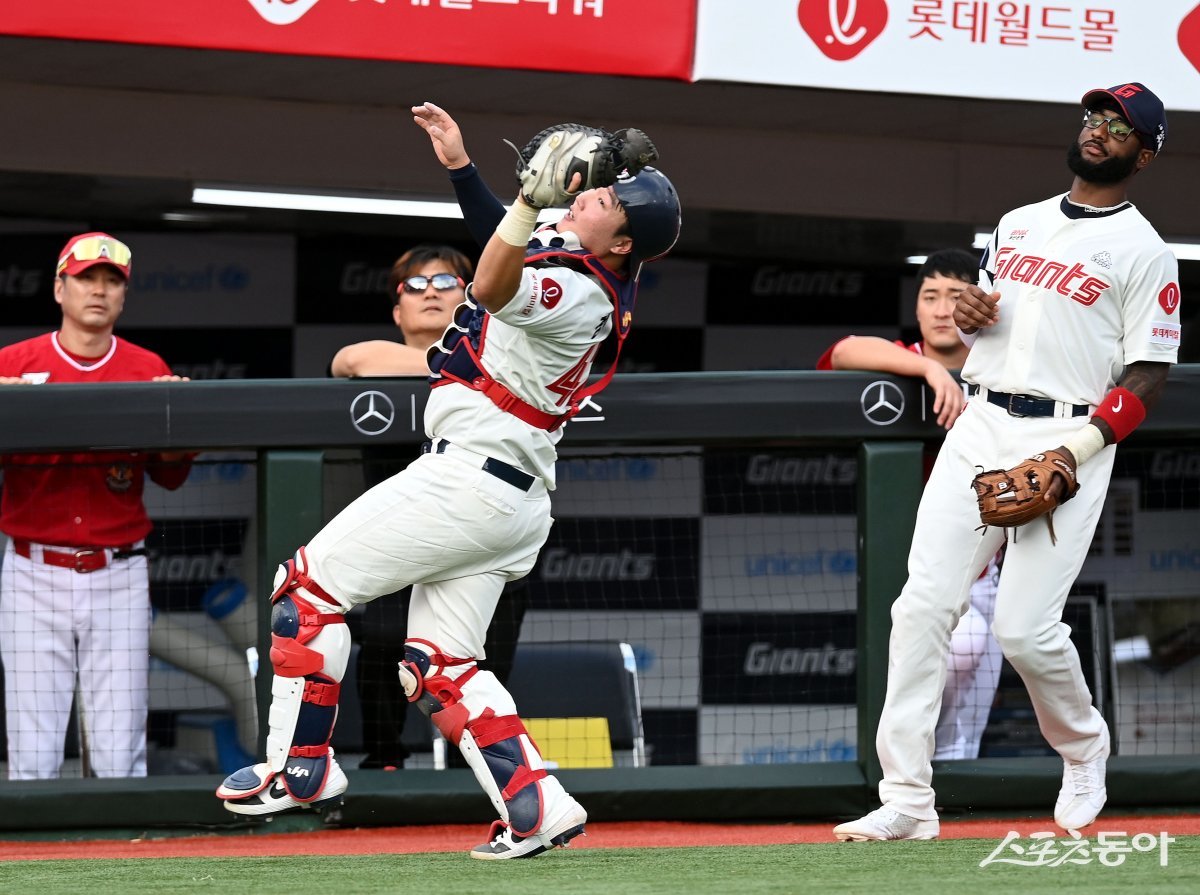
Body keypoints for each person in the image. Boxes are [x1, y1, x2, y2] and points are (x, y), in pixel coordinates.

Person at [216, 103, 681, 861]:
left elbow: (494, 281)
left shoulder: (582, 290)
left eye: (610, 202)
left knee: (304, 595)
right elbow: (504, 234)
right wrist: (464, 170)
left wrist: (531, 201)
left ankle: (297, 768)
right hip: (507, 495)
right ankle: (538, 804)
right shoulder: (590, 257)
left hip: (470, 478)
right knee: (440, 665)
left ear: (623, 241)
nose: (593, 196)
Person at [834, 82, 1179, 841]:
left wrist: (1080, 448)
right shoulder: (1018, 223)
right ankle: (908, 797)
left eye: (1120, 127)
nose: (1099, 131)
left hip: (1070, 437)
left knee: (1023, 629)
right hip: (984, 419)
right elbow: (984, 317)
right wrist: (969, 311)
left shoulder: (1146, 252)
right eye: (1095, 117)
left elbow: (1150, 371)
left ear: (1143, 154)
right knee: (921, 606)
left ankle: (1085, 747)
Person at [0, 232, 193, 779]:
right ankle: (31, 865)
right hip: (32, 568)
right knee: (33, 749)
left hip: (118, 570)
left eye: (112, 281)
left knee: (117, 746)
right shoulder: (14, 362)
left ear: (124, 296)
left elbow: (173, 474)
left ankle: (121, 860)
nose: (99, 290)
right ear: (60, 288)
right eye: (87, 278)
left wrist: (177, 417)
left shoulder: (144, 365)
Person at [332, 244, 529, 770]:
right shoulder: (385, 356)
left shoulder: (509, 350)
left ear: (473, 296)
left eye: (446, 282)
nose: (431, 293)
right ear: (397, 311)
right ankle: (384, 761)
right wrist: (459, 362)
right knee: (381, 639)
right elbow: (350, 361)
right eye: (415, 286)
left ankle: (484, 772)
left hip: (485, 529)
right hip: (404, 537)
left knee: (480, 658)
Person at [818, 249, 1005, 760]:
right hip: (898, 562)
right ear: (917, 308)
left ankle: (944, 796)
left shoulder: (1004, 370)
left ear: (984, 305)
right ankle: (908, 783)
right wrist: (928, 369)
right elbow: (842, 352)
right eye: (930, 297)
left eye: (955, 296)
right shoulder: (900, 358)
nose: (943, 309)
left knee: (965, 708)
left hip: (984, 562)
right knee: (941, 656)